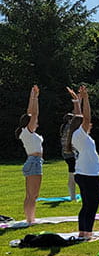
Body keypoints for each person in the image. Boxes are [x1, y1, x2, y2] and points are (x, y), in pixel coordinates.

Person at [65, 86, 99, 240]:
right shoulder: (81, 133)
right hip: (89, 175)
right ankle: (87, 233)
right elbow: (86, 117)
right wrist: (86, 99)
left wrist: (76, 100)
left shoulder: (74, 135)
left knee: (86, 204)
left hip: (82, 173)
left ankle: (83, 232)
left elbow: (78, 117)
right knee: (91, 205)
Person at [16, 85, 42, 225]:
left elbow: (30, 112)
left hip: (32, 161)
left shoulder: (26, 132)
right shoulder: (27, 131)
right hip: (34, 162)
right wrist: (35, 98)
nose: (36, 122)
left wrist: (32, 96)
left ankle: (29, 219)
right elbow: (34, 114)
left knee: (30, 195)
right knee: (33, 195)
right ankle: (30, 220)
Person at [59, 113, 77, 202]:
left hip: (66, 154)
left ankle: (73, 195)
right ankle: (73, 196)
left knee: (72, 173)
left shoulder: (63, 127)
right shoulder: (70, 128)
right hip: (71, 154)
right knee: (73, 174)